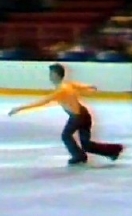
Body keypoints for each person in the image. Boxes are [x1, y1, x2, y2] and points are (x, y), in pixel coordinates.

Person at [8, 63, 123, 165]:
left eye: (51, 74)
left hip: (78, 117)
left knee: (66, 136)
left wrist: (19, 108)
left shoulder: (61, 90)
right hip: (83, 114)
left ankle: (79, 156)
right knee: (86, 144)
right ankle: (113, 150)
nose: (50, 76)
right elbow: (78, 85)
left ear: (56, 75)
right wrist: (89, 86)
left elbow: (42, 102)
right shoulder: (67, 85)